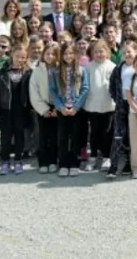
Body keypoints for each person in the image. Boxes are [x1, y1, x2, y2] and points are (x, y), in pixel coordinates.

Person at [0, 45, 32, 175]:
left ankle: (18, 160)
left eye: (23, 57)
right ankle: (5, 160)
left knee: (20, 135)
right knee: (5, 136)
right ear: (12, 55)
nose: (20, 59)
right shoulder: (3, 72)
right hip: (5, 109)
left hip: (22, 109)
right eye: (17, 56)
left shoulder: (29, 72)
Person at [49, 42, 89, 177]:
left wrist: (76, 107)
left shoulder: (81, 70)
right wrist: (60, 107)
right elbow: (52, 90)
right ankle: (63, 164)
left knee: (76, 136)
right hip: (62, 109)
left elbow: (85, 88)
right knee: (63, 137)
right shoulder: (55, 71)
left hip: (76, 109)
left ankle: (74, 164)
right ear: (61, 55)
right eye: (65, 53)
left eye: (71, 53)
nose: (68, 56)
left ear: (76, 54)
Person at [83, 40, 116, 172]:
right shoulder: (88, 67)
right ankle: (93, 156)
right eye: (96, 52)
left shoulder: (112, 67)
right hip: (92, 104)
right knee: (94, 132)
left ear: (107, 52)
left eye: (101, 51)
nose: (99, 54)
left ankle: (106, 157)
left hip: (108, 104)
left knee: (107, 132)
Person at [107, 42, 137, 178]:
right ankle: (113, 165)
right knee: (118, 136)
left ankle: (129, 163)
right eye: (124, 53)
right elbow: (112, 86)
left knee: (132, 136)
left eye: (129, 52)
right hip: (121, 106)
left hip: (135, 107)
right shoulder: (118, 68)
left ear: (136, 52)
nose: (127, 55)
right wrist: (117, 99)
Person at [30, 43, 59, 174]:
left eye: (53, 54)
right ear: (43, 55)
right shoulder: (37, 71)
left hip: (57, 107)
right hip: (42, 107)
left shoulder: (60, 69)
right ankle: (43, 161)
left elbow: (64, 89)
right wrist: (43, 109)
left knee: (55, 135)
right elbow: (33, 92)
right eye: (47, 53)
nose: (50, 56)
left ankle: (53, 161)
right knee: (43, 135)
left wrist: (58, 108)